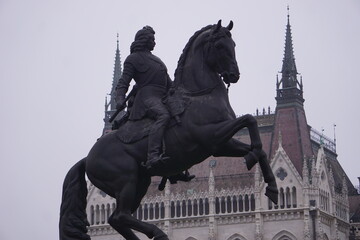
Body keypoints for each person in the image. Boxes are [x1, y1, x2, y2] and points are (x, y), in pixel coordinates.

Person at [115, 26, 172, 170]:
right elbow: (123, 83)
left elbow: (169, 84)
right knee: (163, 116)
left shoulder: (158, 61)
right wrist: (120, 99)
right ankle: (152, 156)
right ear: (144, 40)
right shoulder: (133, 59)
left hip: (162, 97)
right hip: (146, 99)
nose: (154, 42)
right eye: (152, 39)